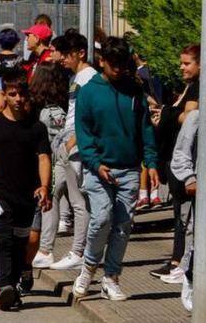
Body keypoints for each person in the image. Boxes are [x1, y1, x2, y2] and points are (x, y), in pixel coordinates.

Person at [72, 36, 160, 302]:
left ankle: (111, 278)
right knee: (101, 218)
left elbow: (145, 128)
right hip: (98, 168)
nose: (119, 69)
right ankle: (88, 268)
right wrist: (96, 165)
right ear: (102, 62)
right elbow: (83, 133)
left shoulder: (135, 91)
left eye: (123, 64)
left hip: (129, 168)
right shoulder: (88, 91)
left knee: (122, 225)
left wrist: (151, 163)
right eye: (114, 64)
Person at [0, 68, 53, 311]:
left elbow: (43, 158)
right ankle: (6, 286)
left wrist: (44, 187)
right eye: (12, 94)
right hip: (0, 194)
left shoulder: (36, 128)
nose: (18, 99)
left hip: (27, 196)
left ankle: (15, 283)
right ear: (5, 95)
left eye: (21, 94)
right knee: (4, 239)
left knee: (21, 242)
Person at [147, 44, 200, 283]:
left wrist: (167, 113)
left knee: (187, 219)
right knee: (181, 216)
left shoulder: (200, 87)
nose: (182, 67)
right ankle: (178, 261)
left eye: (187, 63)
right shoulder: (190, 86)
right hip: (177, 159)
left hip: (189, 165)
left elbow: (189, 117)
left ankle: (183, 263)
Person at [44, 32, 95, 271]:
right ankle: (45, 250)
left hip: (76, 147)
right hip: (68, 146)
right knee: (52, 192)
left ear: (80, 53)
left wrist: (72, 142)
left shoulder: (89, 79)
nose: (61, 59)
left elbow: (87, 118)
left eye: (66, 54)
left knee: (78, 201)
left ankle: (78, 251)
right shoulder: (77, 77)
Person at [29, 65, 80, 268]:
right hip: (64, 153)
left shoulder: (36, 105)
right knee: (72, 199)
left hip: (46, 158)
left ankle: (45, 249)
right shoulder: (67, 102)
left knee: (50, 199)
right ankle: (57, 248)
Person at [170, 109, 199, 312]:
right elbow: (180, 153)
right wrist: (189, 177)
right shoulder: (197, 116)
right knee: (198, 241)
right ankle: (190, 277)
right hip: (203, 190)